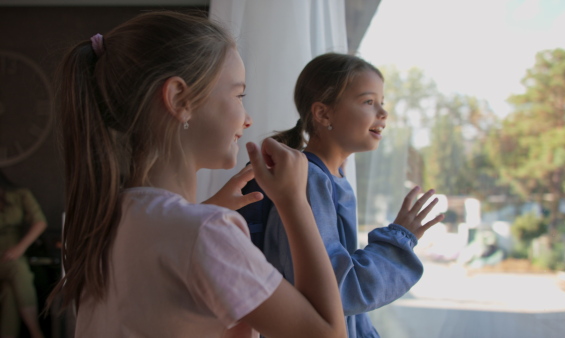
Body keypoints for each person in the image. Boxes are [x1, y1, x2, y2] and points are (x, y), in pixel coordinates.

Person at [46, 11, 346, 338]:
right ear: (179, 99)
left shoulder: (107, 220)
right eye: (238, 95)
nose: (247, 119)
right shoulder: (205, 233)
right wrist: (294, 202)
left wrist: (205, 210)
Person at [259, 53, 445, 337]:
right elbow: (339, 290)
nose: (383, 113)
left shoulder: (332, 178)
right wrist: (400, 238)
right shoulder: (308, 179)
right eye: (369, 102)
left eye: (382, 103)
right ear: (323, 114)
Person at [0, 170, 47, 338]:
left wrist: (20, 247)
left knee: (10, 293)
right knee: (19, 270)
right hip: (11, 263)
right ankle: (36, 332)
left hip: (12, 253)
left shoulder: (20, 195)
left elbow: (40, 222)